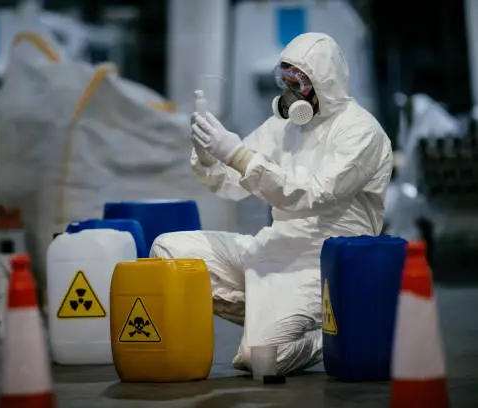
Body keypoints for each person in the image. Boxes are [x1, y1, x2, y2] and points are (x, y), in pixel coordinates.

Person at [150, 32, 393, 374]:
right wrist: (210, 158)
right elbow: (232, 184)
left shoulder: (360, 131)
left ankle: (333, 332)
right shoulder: (284, 126)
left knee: (263, 358)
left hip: (322, 263)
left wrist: (236, 153)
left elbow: (312, 194)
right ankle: (266, 314)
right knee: (168, 251)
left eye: (299, 82)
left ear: (326, 83)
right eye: (285, 80)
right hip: (274, 245)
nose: (289, 92)